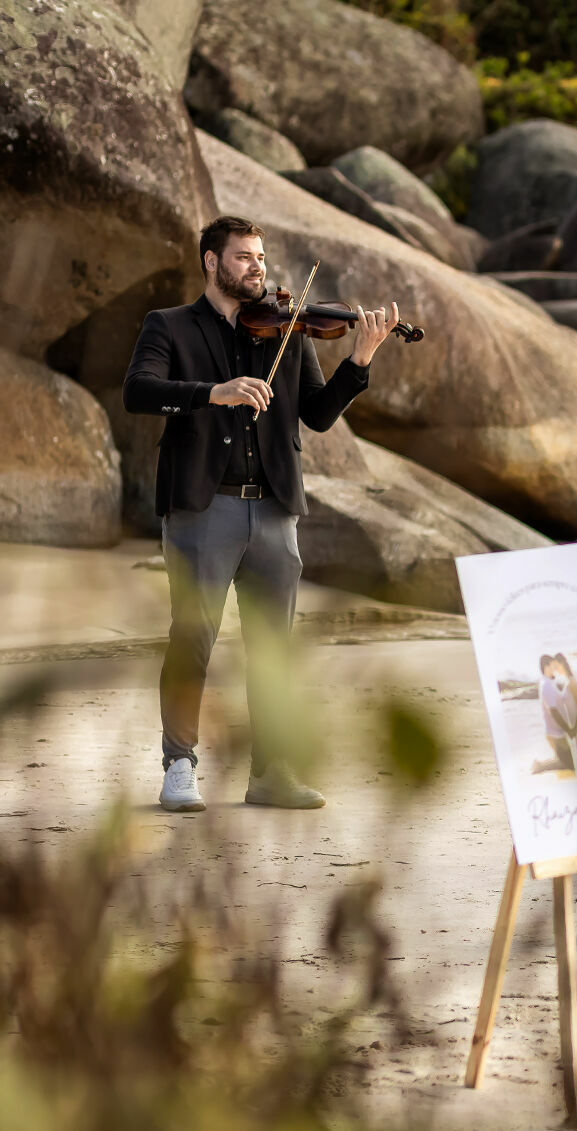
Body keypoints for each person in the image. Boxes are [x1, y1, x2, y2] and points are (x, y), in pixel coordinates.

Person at [122, 216, 396, 811]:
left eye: (261, 258)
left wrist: (360, 360)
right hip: (201, 509)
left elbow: (319, 415)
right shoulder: (169, 325)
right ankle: (179, 765)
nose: (258, 267)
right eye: (243, 257)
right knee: (192, 638)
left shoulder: (288, 331)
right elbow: (138, 390)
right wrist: (210, 392)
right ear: (211, 263)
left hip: (274, 510)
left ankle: (271, 773)